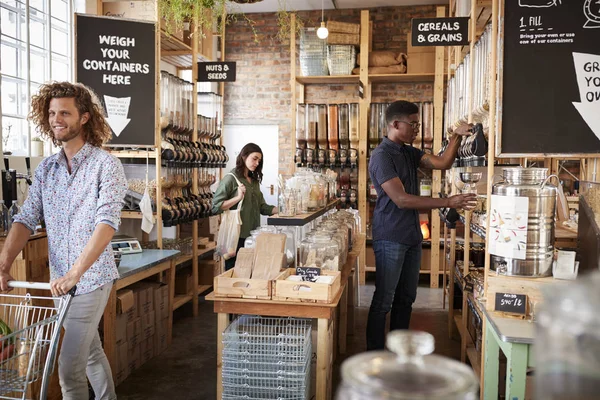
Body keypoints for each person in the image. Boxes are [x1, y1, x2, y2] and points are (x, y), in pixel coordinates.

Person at [0, 82, 126, 399]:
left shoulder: (105, 165)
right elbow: (25, 219)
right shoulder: (47, 170)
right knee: (90, 351)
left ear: (84, 117)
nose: (57, 119)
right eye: (53, 113)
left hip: (91, 279)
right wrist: (3, 265)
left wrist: (75, 273)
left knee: (69, 368)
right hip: (61, 281)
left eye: (65, 113)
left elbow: (106, 223)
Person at [366, 100, 476, 350]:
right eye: (413, 124)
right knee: (384, 300)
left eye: (418, 124)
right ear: (395, 124)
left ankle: (397, 351)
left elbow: (442, 163)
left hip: (412, 237)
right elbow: (402, 200)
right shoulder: (382, 156)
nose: (417, 129)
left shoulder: (408, 151)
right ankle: (373, 355)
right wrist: (448, 201)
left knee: (406, 299)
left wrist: (455, 137)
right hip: (390, 236)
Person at [212, 143, 278, 271]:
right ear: (243, 156)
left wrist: (282, 209)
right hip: (236, 236)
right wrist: (237, 198)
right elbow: (216, 206)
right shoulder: (230, 179)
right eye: (254, 158)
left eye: (259, 160)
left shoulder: (254, 182)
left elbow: (262, 207)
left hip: (253, 236)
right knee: (234, 272)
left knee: (250, 272)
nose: (257, 163)